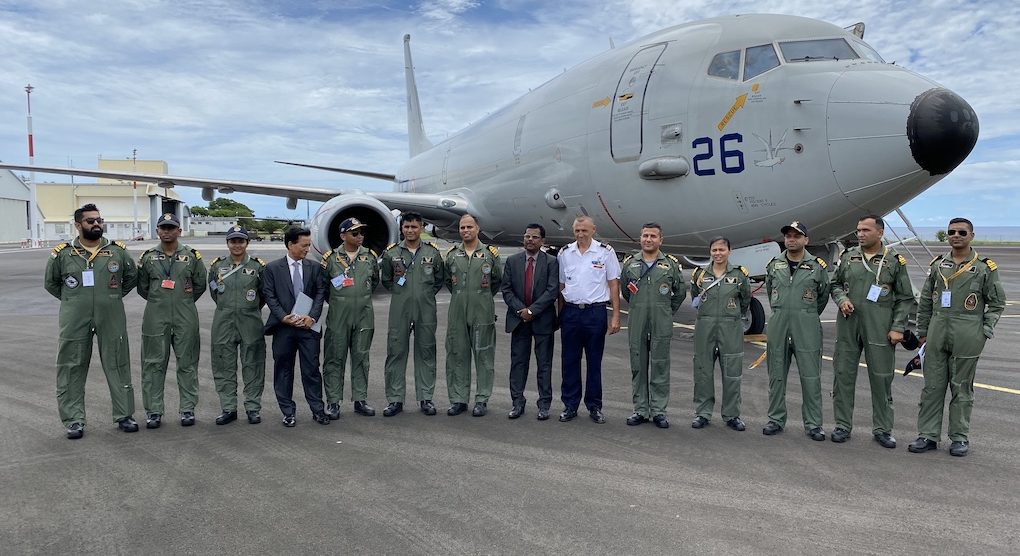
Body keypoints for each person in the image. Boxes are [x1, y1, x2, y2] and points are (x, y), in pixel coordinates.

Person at [909, 218, 1006, 457]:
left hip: (968, 331)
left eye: (962, 232)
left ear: (971, 235)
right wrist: (923, 333)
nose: (956, 235)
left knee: (961, 388)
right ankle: (927, 435)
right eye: (951, 232)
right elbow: (925, 301)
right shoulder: (938, 265)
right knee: (932, 387)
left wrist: (984, 330)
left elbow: (997, 303)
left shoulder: (984, 268)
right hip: (937, 330)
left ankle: (959, 437)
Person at [45, 203, 139, 439]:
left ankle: (124, 415)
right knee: (71, 365)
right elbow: (51, 283)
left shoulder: (116, 251)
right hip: (75, 317)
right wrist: (74, 300)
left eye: (99, 220)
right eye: (90, 221)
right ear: (78, 225)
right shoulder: (63, 254)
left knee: (118, 362)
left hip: (111, 315)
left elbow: (131, 278)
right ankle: (74, 420)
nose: (96, 224)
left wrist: (110, 297)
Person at [830, 215, 915, 448]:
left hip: (880, 325)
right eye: (858, 230)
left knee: (881, 378)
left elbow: (905, 298)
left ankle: (883, 429)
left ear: (880, 232)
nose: (860, 234)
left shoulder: (894, 261)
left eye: (866, 230)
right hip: (849, 323)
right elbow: (835, 284)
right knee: (843, 375)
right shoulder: (848, 256)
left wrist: (898, 327)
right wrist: (842, 299)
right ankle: (842, 425)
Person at [137, 213, 207, 428]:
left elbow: (200, 284)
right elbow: (142, 287)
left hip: (185, 315)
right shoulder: (147, 257)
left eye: (171, 227)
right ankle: (154, 411)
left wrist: (183, 301)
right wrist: (160, 300)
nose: (167, 231)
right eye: (163, 228)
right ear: (157, 231)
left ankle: (187, 409)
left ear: (179, 231)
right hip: (155, 315)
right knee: (153, 364)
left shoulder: (192, 256)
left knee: (187, 363)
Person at [763, 221, 830, 440]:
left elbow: (823, 295)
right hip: (779, 324)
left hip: (806, 326)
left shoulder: (817, 266)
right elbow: (771, 292)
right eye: (788, 236)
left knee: (811, 377)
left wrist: (806, 314)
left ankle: (813, 424)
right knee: (776, 375)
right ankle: (775, 419)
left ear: (806, 240)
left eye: (796, 236)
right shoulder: (774, 265)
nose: (791, 240)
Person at [380, 212, 446, 416]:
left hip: (426, 309)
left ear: (422, 228)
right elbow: (387, 280)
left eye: (414, 227)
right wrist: (403, 294)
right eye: (406, 227)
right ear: (401, 228)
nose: (410, 230)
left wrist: (424, 295)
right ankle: (395, 399)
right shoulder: (391, 253)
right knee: (396, 352)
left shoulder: (433, 253)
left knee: (426, 351)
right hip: (400, 309)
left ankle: (426, 398)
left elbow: (439, 279)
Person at [557, 215, 622, 424]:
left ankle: (594, 406)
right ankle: (570, 405)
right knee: (569, 361)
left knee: (594, 362)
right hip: (571, 312)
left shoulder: (605, 252)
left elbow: (613, 284)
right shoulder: (565, 253)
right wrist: (560, 315)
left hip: (595, 313)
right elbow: (561, 286)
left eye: (584, 230)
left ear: (593, 230)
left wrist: (615, 316)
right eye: (577, 231)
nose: (580, 234)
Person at [620, 223, 685, 428]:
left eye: (653, 236)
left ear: (660, 240)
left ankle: (658, 411)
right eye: (645, 236)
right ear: (640, 238)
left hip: (661, 321)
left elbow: (680, 292)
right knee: (638, 365)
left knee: (660, 365)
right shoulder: (630, 264)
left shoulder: (670, 264)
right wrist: (639, 307)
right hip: (638, 319)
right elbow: (626, 292)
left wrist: (665, 310)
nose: (649, 239)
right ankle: (640, 409)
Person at [263, 227, 329, 427]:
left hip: (308, 328)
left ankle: (318, 410)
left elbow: (320, 293)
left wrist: (313, 317)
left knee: (311, 370)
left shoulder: (314, 267)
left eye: (309, 245)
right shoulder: (272, 269)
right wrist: (283, 317)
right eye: (304, 245)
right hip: (284, 328)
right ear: (290, 245)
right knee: (283, 370)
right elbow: (269, 296)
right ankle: (288, 412)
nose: (307, 249)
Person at [689, 236, 751, 431]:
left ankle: (732, 415)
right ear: (710, 252)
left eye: (722, 250)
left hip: (730, 328)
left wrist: (732, 317)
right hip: (705, 327)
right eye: (714, 250)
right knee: (703, 372)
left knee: (732, 373)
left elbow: (745, 300)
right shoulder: (700, 274)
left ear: (729, 252)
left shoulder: (739, 275)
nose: (718, 253)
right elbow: (695, 296)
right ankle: (703, 413)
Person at [321, 218, 381, 419]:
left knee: (361, 358)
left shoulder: (369, 257)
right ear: (343, 236)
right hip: (339, 317)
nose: (360, 236)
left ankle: (360, 399)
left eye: (361, 232)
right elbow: (324, 287)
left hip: (364, 315)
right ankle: (333, 401)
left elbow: (373, 282)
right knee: (334, 358)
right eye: (355, 233)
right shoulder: (331, 259)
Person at [207, 226, 267, 425]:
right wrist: (228, 308)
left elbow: (263, 295)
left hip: (250, 321)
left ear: (247, 243)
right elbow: (215, 292)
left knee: (253, 364)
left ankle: (253, 407)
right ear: (227, 243)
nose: (237, 245)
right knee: (224, 365)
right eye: (233, 241)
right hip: (223, 320)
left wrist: (248, 309)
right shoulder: (217, 266)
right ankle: (228, 408)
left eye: (241, 241)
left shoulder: (258, 267)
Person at [444, 214, 502, 417]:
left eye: (469, 227)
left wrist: (481, 298)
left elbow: (496, 280)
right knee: (457, 355)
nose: (465, 230)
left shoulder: (489, 254)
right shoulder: (452, 255)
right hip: (458, 310)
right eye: (462, 227)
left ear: (477, 229)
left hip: (482, 310)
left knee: (484, 356)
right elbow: (448, 281)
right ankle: (459, 399)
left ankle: (482, 399)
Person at [500, 224, 559, 420]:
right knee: (518, 363)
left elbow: (552, 291)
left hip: (543, 320)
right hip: (519, 320)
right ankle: (517, 403)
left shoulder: (551, 262)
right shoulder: (512, 261)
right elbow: (506, 290)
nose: (530, 240)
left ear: (542, 241)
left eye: (534, 237)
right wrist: (521, 311)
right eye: (527, 236)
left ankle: (544, 404)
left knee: (544, 364)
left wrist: (532, 310)